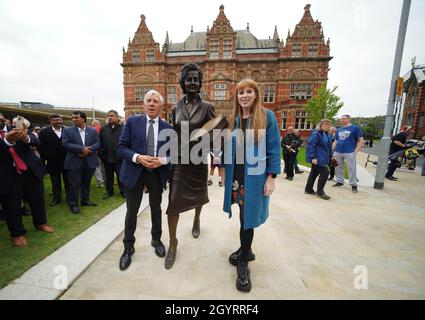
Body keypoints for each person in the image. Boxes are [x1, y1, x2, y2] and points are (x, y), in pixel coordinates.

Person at [223, 78, 281, 292]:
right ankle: (245, 249)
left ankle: (244, 263)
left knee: (248, 219)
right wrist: (222, 172)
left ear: (256, 94)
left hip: (255, 178)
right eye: (240, 93)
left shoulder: (267, 117)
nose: (244, 95)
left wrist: (271, 176)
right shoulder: (234, 118)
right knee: (242, 215)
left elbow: (275, 148)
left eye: (249, 91)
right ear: (236, 97)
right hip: (236, 177)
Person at [165, 63, 217, 270]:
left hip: (198, 161)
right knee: (173, 202)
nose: (193, 82)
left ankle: (197, 218)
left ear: (200, 82)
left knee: (199, 196)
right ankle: (173, 242)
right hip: (180, 161)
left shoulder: (208, 107)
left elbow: (215, 132)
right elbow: (172, 134)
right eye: (189, 79)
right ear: (183, 83)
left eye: (196, 79)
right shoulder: (175, 108)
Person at [117, 90, 172, 270]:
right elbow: (121, 147)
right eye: (149, 100)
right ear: (143, 104)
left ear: (161, 106)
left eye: (156, 101)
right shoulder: (132, 122)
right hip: (134, 172)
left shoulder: (167, 128)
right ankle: (128, 247)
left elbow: (174, 155)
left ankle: (156, 240)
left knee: (156, 209)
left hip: (156, 174)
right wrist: (137, 157)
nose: (151, 103)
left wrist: (162, 160)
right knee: (131, 211)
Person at [0, 116, 54, 247]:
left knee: (37, 198)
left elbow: (35, 141)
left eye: (1, 118)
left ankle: (41, 222)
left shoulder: (18, 128)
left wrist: (26, 138)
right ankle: (17, 233)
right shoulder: (8, 135)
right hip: (8, 174)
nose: (1, 120)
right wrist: (7, 141)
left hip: (29, 170)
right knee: (11, 204)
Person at [62, 111, 101, 214]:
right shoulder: (68, 131)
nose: (74, 119)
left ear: (83, 119)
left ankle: (85, 200)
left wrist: (88, 150)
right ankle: (73, 204)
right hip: (74, 161)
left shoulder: (92, 131)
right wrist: (81, 149)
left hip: (89, 161)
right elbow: (65, 144)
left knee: (86, 183)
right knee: (74, 184)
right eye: (73, 117)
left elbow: (98, 143)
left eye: (76, 117)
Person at [38, 114, 69, 207]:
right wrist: (47, 157)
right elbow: (41, 147)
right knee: (55, 181)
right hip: (52, 161)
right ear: (50, 121)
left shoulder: (67, 130)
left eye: (60, 120)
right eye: (56, 120)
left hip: (66, 160)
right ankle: (57, 198)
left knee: (68, 180)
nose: (59, 121)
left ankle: (69, 197)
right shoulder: (44, 132)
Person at [332, 115, 364, 193]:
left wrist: (356, 151)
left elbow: (361, 140)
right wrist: (332, 150)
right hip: (338, 151)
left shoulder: (355, 128)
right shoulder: (339, 129)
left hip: (350, 152)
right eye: (341, 119)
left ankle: (353, 185)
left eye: (343, 118)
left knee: (351, 168)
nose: (342, 120)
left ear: (348, 119)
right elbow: (335, 141)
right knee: (337, 166)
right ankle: (340, 181)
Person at [305, 119, 333, 200]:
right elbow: (310, 145)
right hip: (317, 158)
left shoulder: (326, 134)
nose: (327, 126)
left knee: (314, 173)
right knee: (325, 173)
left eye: (329, 124)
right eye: (325, 124)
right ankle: (320, 192)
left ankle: (308, 189)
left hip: (323, 157)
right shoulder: (316, 133)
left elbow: (328, 146)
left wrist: (331, 156)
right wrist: (313, 157)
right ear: (321, 125)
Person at [99, 110, 125, 199]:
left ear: (117, 117)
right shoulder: (103, 129)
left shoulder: (123, 128)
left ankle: (123, 191)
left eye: (112, 115)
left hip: (120, 158)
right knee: (108, 177)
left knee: (121, 176)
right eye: (108, 116)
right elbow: (100, 143)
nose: (110, 117)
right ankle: (109, 192)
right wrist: (102, 155)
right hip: (107, 158)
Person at [91, 119, 105, 188]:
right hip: (104, 151)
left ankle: (100, 182)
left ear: (93, 125)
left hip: (96, 151)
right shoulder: (103, 129)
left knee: (97, 167)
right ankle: (104, 181)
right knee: (103, 167)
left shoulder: (92, 130)